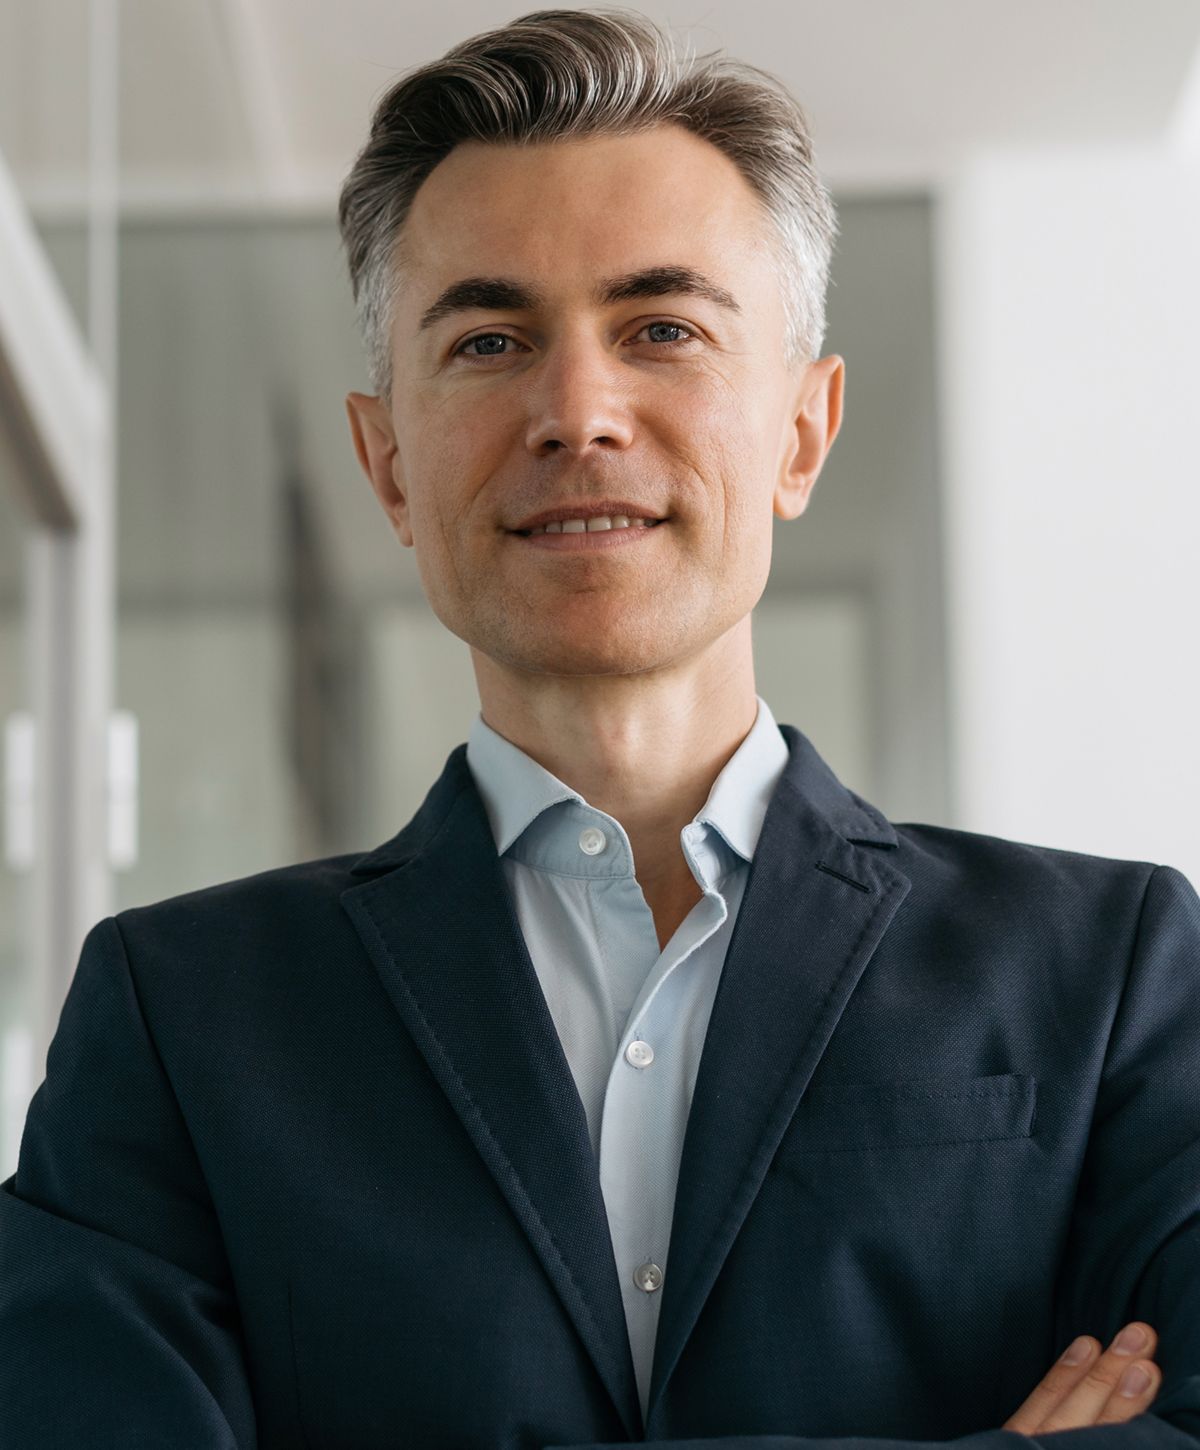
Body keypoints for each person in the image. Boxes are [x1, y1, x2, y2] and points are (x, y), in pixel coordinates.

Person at [2, 8, 1198, 1448]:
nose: (577, 411)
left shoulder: (1112, 969)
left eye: (662, 330)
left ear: (802, 433)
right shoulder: (180, 1017)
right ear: (388, 465)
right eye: (491, 339)